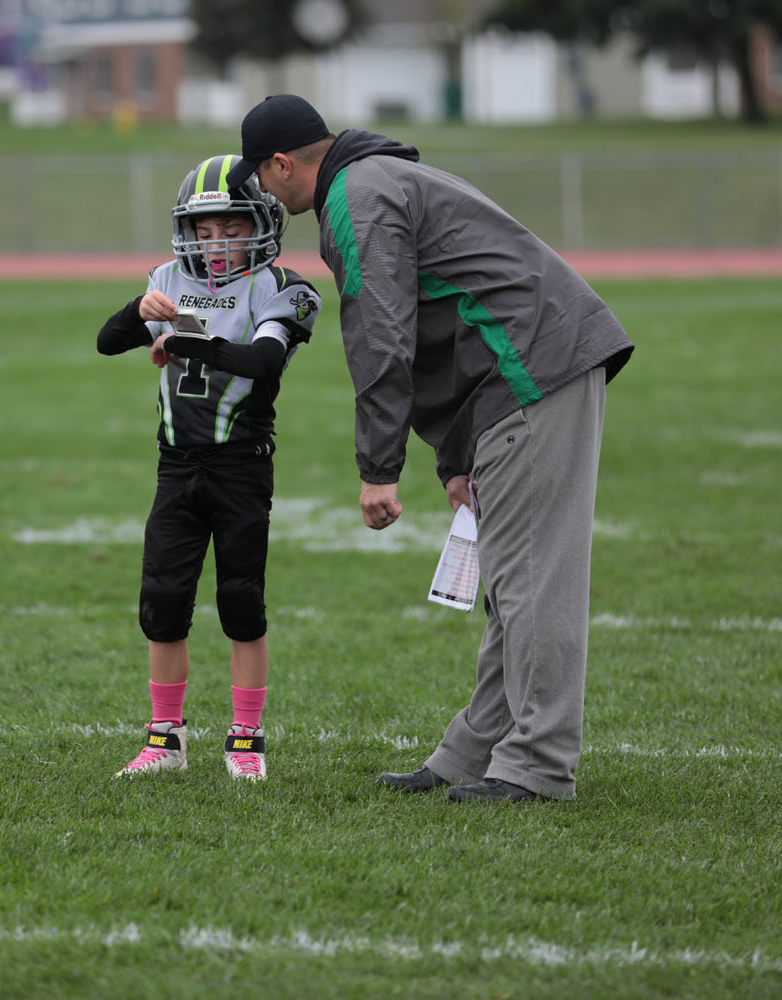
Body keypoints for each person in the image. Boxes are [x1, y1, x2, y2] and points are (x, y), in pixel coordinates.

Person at [227, 95, 633, 803]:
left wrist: (380, 468)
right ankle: (475, 753)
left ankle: (538, 766)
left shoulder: (356, 196)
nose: (260, 194)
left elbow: (384, 334)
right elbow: (446, 313)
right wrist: (457, 456)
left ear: (283, 164)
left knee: (532, 582)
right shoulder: (375, 178)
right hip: (520, 371)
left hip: (534, 368)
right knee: (513, 579)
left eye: (259, 179)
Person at [96, 153, 322, 782]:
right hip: (176, 468)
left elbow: (263, 363)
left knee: (241, 603)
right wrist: (138, 313)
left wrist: (190, 340)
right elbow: (108, 341)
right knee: (163, 602)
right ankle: (164, 739)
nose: (216, 242)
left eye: (230, 227)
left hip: (241, 467)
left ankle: (245, 739)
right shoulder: (169, 277)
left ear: (262, 223)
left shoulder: (282, 288)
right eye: (204, 229)